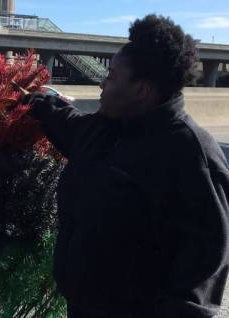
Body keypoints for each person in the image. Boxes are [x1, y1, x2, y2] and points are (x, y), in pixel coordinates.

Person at [22, 15, 229, 317]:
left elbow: (201, 274)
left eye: (112, 76)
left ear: (142, 90)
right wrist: (32, 102)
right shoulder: (106, 129)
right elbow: (68, 123)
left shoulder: (190, 155)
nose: (102, 83)